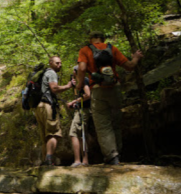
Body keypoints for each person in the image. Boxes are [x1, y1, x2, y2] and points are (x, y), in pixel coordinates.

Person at [76, 31, 143, 165]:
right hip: (115, 88)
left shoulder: (85, 50)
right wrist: (136, 57)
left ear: (91, 40)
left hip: (97, 89)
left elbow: (82, 68)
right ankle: (119, 151)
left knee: (103, 125)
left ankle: (112, 156)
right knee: (115, 123)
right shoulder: (111, 48)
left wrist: (78, 86)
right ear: (103, 39)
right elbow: (129, 66)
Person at [35, 56, 73, 166]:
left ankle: (45, 162)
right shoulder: (51, 73)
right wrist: (68, 86)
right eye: (57, 63)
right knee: (53, 134)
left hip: (39, 106)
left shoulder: (43, 74)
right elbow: (54, 88)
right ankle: (49, 159)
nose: (59, 65)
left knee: (44, 137)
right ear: (50, 63)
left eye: (60, 63)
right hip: (48, 106)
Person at [67, 66, 91, 167]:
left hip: (83, 110)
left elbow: (88, 94)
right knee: (81, 134)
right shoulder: (78, 82)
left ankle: (78, 161)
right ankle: (83, 160)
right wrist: (75, 105)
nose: (73, 74)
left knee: (74, 133)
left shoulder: (84, 80)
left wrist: (74, 101)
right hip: (80, 110)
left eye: (74, 72)